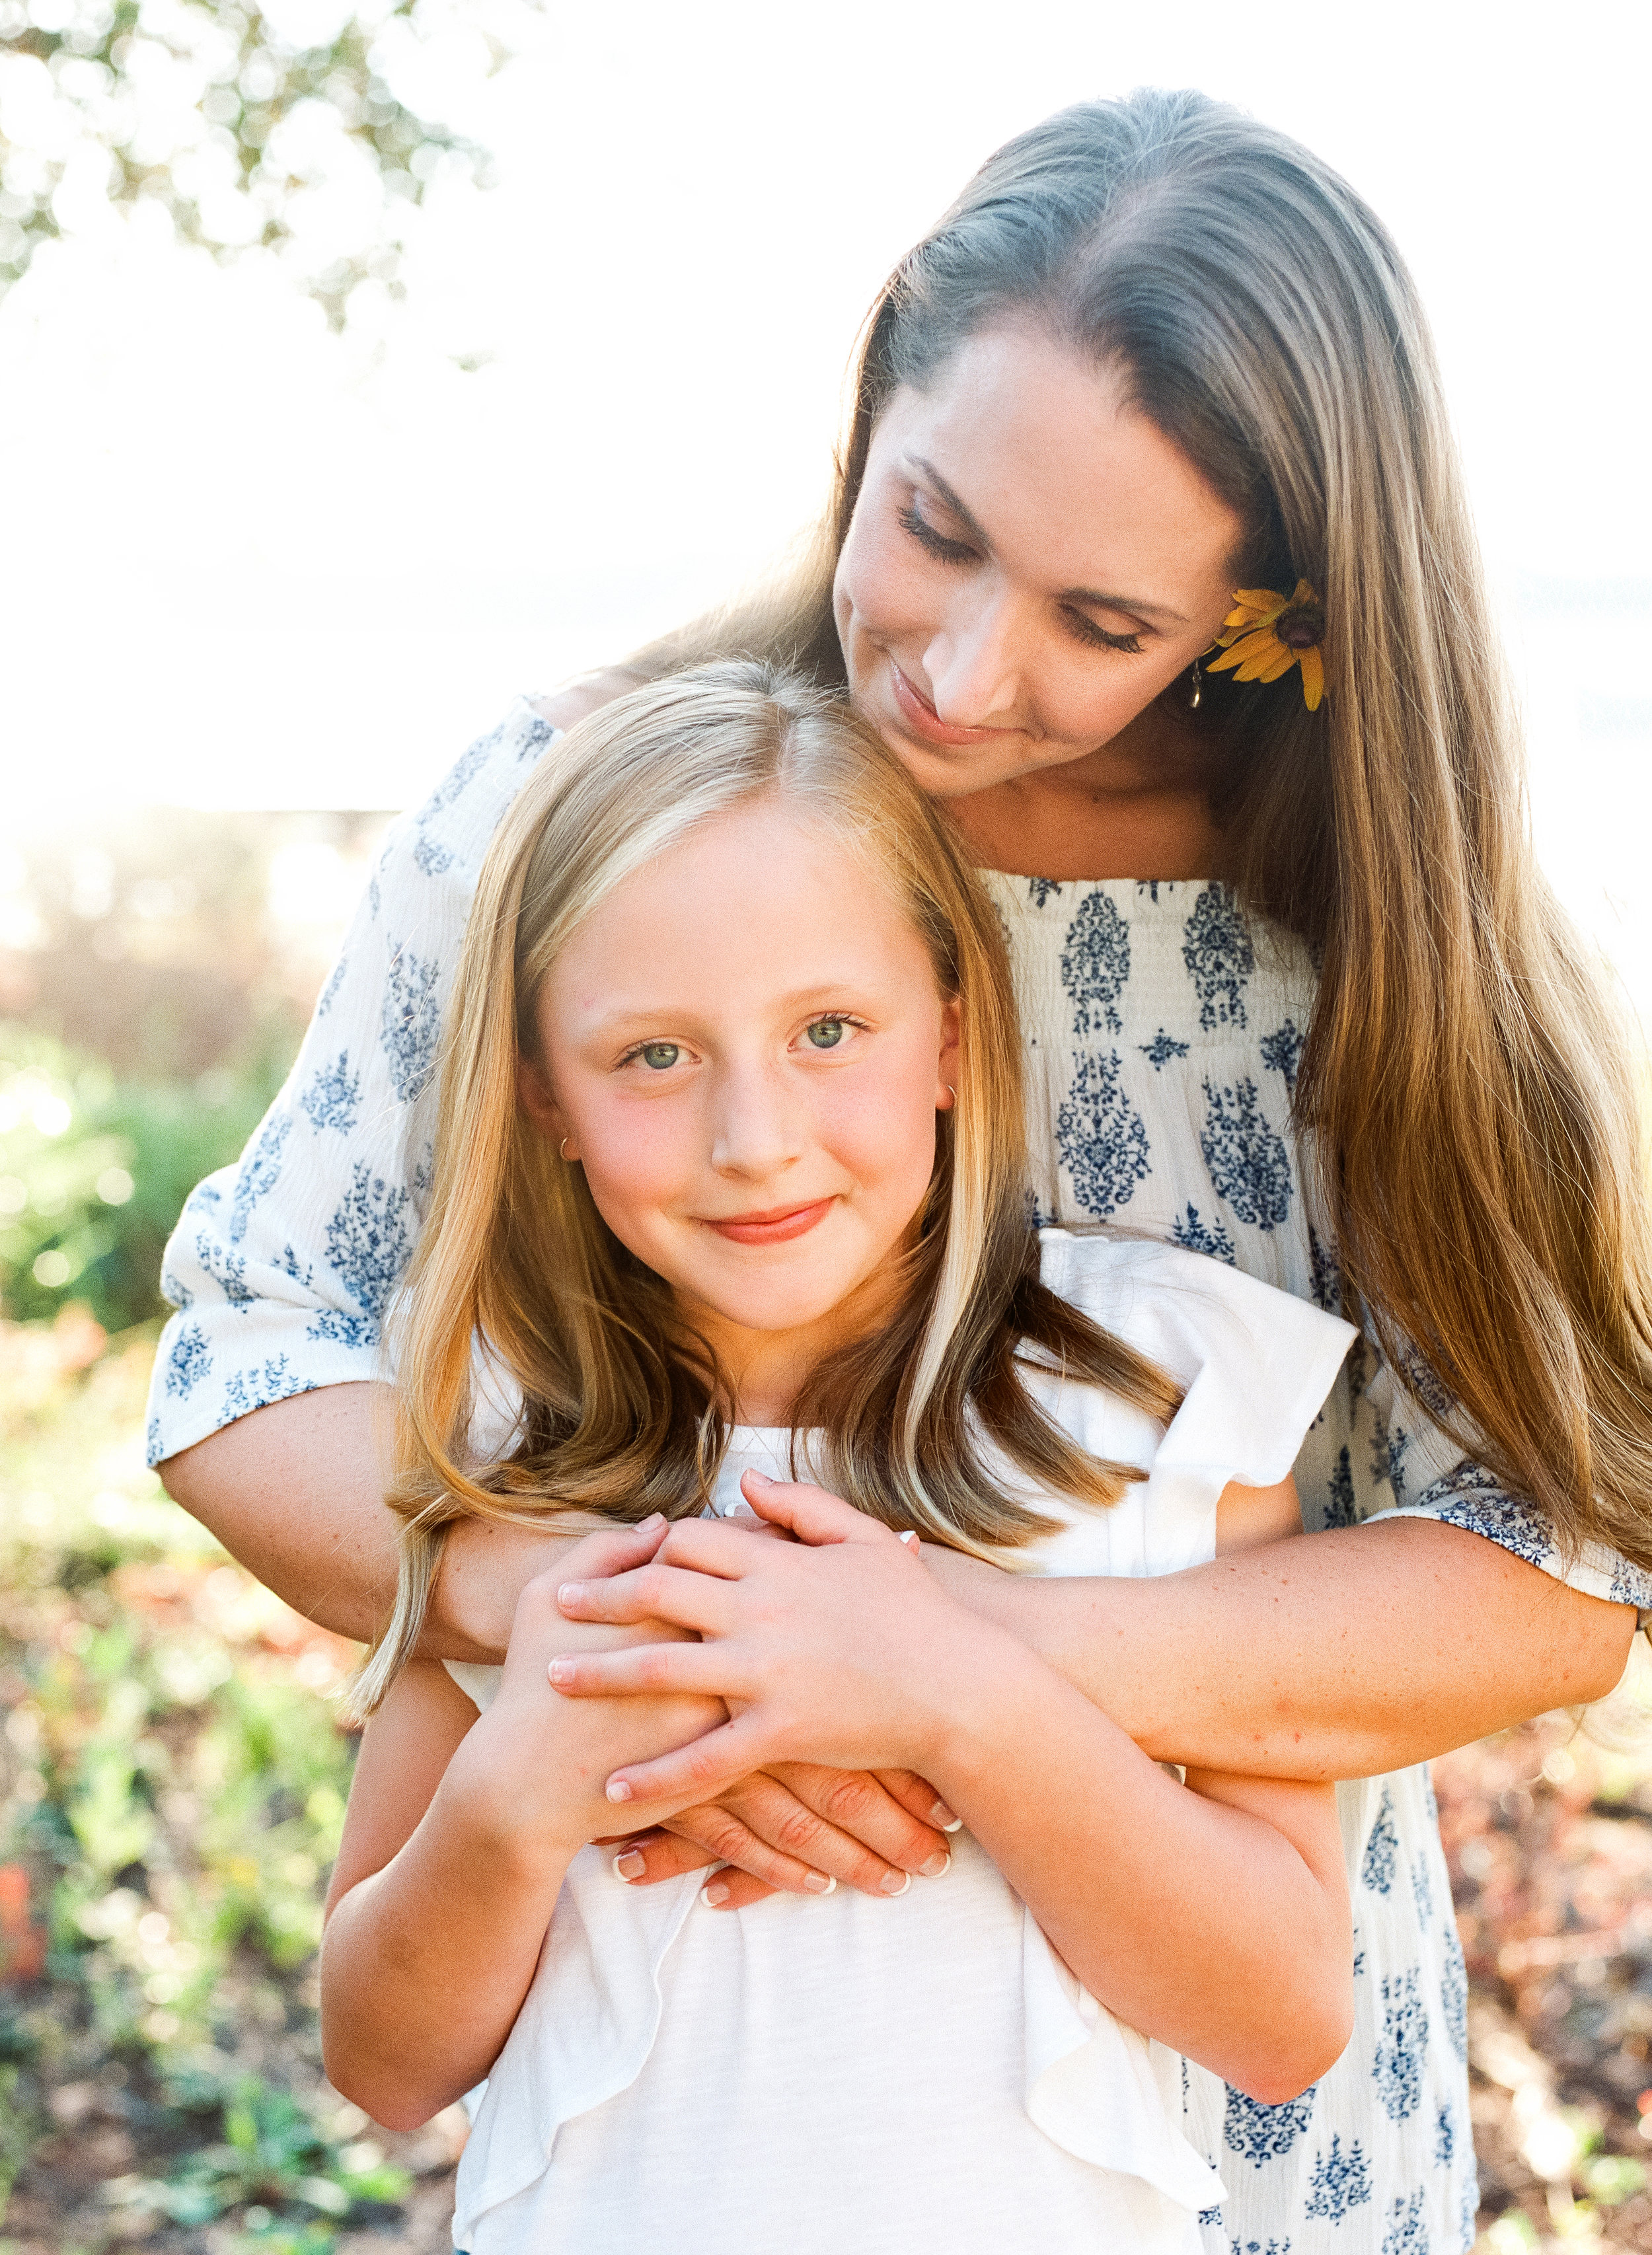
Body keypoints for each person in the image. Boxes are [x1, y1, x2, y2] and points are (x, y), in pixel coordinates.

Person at [150, 91, 1652, 2244]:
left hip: (1234, 2161)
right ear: (876, 392)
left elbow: (1543, 1570)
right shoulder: (576, 808)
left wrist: (936, 1664)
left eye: (1104, 621)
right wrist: (658, 1652)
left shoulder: (1376, 954)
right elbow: (248, 1360)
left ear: (1266, 618)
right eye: (931, 521)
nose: (956, 671)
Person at [319, 664, 1358, 2254]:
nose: (755, 1138)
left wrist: (953, 1694)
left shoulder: (1161, 1408)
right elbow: (383, 2060)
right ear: (541, 1093)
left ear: (949, 1030)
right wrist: (515, 1794)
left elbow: (1278, 2017)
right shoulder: (498, 1434)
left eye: (825, 1029)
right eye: (652, 1057)